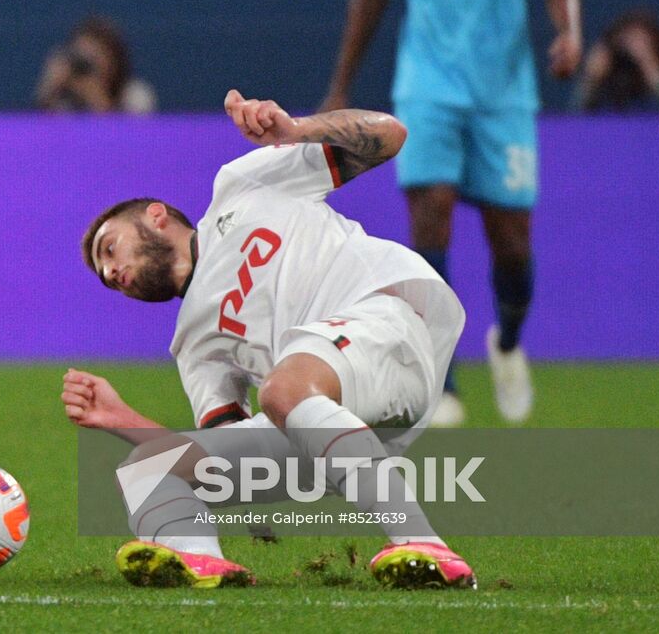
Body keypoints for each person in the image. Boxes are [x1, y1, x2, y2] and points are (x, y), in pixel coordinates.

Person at [63, 90, 473, 589]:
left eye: (110, 248)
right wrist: (121, 419)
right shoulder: (193, 346)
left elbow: (390, 136)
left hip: (385, 322)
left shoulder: (240, 187)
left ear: (156, 215)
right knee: (144, 470)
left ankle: (423, 543)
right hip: (336, 415)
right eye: (106, 275)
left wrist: (297, 130)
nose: (112, 271)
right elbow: (232, 456)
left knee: (283, 389)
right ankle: (200, 561)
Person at [319, 0, 583, 427]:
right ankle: (443, 379)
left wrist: (570, 33)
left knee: (511, 243)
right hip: (428, 88)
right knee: (429, 218)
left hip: (504, 93)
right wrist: (341, 86)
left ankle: (509, 340)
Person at [35, 16, 157, 113]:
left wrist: (98, 101)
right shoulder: (64, 100)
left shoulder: (135, 95)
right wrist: (50, 92)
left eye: (95, 57)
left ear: (114, 61)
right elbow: (41, 137)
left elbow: (131, 139)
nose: (87, 66)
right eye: (81, 59)